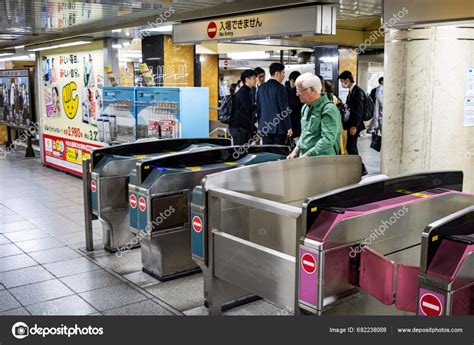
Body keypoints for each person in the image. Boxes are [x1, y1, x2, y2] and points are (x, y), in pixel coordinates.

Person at [287, 73, 341, 158]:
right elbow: (304, 133)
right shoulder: (305, 107)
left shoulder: (329, 109)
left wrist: (308, 155)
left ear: (312, 90)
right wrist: (296, 150)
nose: (297, 94)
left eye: (299, 90)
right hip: (305, 158)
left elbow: (327, 140)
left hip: (322, 161)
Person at [338, 70, 368, 175]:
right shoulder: (352, 90)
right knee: (351, 147)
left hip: (355, 125)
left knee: (351, 147)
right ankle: (358, 168)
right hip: (352, 124)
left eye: (342, 81)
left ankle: (362, 168)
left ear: (347, 80)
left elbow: (359, 110)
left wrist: (354, 126)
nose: (342, 83)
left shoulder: (357, 91)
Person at [256, 62, 292, 144]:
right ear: (277, 73)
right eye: (283, 73)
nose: (283, 76)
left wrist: (260, 125)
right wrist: (289, 127)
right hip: (279, 128)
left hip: (264, 128)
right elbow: (284, 109)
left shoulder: (261, 88)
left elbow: (259, 109)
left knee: (267, 153)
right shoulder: (280, 88)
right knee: (279, 154)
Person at [229, 69, 257, 145]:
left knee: (244, 152)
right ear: (247, 79)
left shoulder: (247, 91)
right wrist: (259, 105)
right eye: (254, 78)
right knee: (240, 152)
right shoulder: (243, 92)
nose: (255, 80)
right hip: (238, 128)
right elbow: (248, 109)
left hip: (242, 127)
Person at [286, 71, 303, 140]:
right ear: (292, 80)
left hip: (297, 120)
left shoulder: (285, 90)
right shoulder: (285, 91)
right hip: (290, 120)